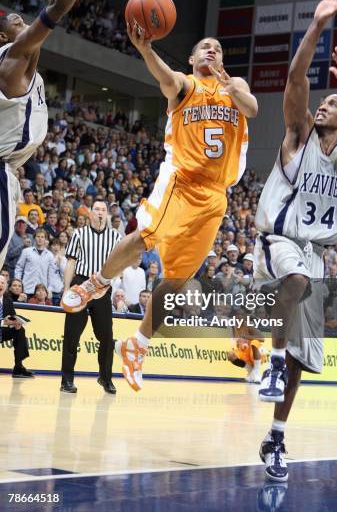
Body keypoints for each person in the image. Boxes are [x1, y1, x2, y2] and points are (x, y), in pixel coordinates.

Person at [62, 33, 257, 393]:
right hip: (181, 181)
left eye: (218, 48)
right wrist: (145, 49)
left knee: (177, 280)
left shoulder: (235, 85)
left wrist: (230, 84)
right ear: (192, 57)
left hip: (216, 196)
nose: (212, 50)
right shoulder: (186, 84)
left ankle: (137, 345)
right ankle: (96, 284)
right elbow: (166, 78)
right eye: (204, 47)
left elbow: (252, 109)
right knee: (144, 236)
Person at [253, 0, 337, 481]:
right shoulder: (296, 136)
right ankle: (269, 360)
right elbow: (293, 80)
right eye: (324, 99)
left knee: (303, 366)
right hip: (279, 242)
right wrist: (316, 27)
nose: (323, 105)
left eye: (333, 102)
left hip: (314, 257)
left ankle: (277, 437)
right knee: (293, 282)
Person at [0, 0, 116, 271]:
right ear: (4, 38)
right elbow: (56, 8)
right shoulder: (11, 60)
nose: (22, 19)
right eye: (14, 20)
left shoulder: (20, 59)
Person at [61, 201, 121, 394]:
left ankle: (106, 378)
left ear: (107, 215)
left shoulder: (115, 237)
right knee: (72, 334)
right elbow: (71, 261)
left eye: (103, 210)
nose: (100, 213)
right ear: (90, 213)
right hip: (81, 284)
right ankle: (67, 380)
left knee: (106, 336)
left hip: (102, 286)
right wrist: (66, 289)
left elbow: (119, 265)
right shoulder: (79, 233)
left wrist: (113, 284)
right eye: (97, 209)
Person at [0, 274, 33, 378]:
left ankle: (18, 367)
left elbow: (12, 316)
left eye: (2, 283)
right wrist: (3, 322)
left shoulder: (7, 300)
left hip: (2, 331)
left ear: (5, 286)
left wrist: (16, 323)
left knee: (20, 330)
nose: (0, 285)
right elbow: (4, 321)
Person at [227, 308, 267, 383]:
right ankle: (251, 371)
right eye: (237, 314)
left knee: (254, 342)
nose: (239, 316)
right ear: (234, 316)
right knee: (231, 355)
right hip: (245, 352)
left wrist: (247, 337)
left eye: (242, 315)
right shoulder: (233, 327)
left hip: (257, 353)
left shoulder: (249, 326)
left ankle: (257, 372)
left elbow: (262, 338)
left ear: (245, 317)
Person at [14, 228, 54, 297]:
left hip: (42, 292)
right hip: (26, 289)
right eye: (38, 236)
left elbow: (51, 274)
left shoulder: (50, 255)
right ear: (34, 238)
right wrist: (19, 284)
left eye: (42, 237)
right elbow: (19, 268)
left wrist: (49, 289)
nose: (40, 239)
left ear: (45, 239)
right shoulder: (26, 251)